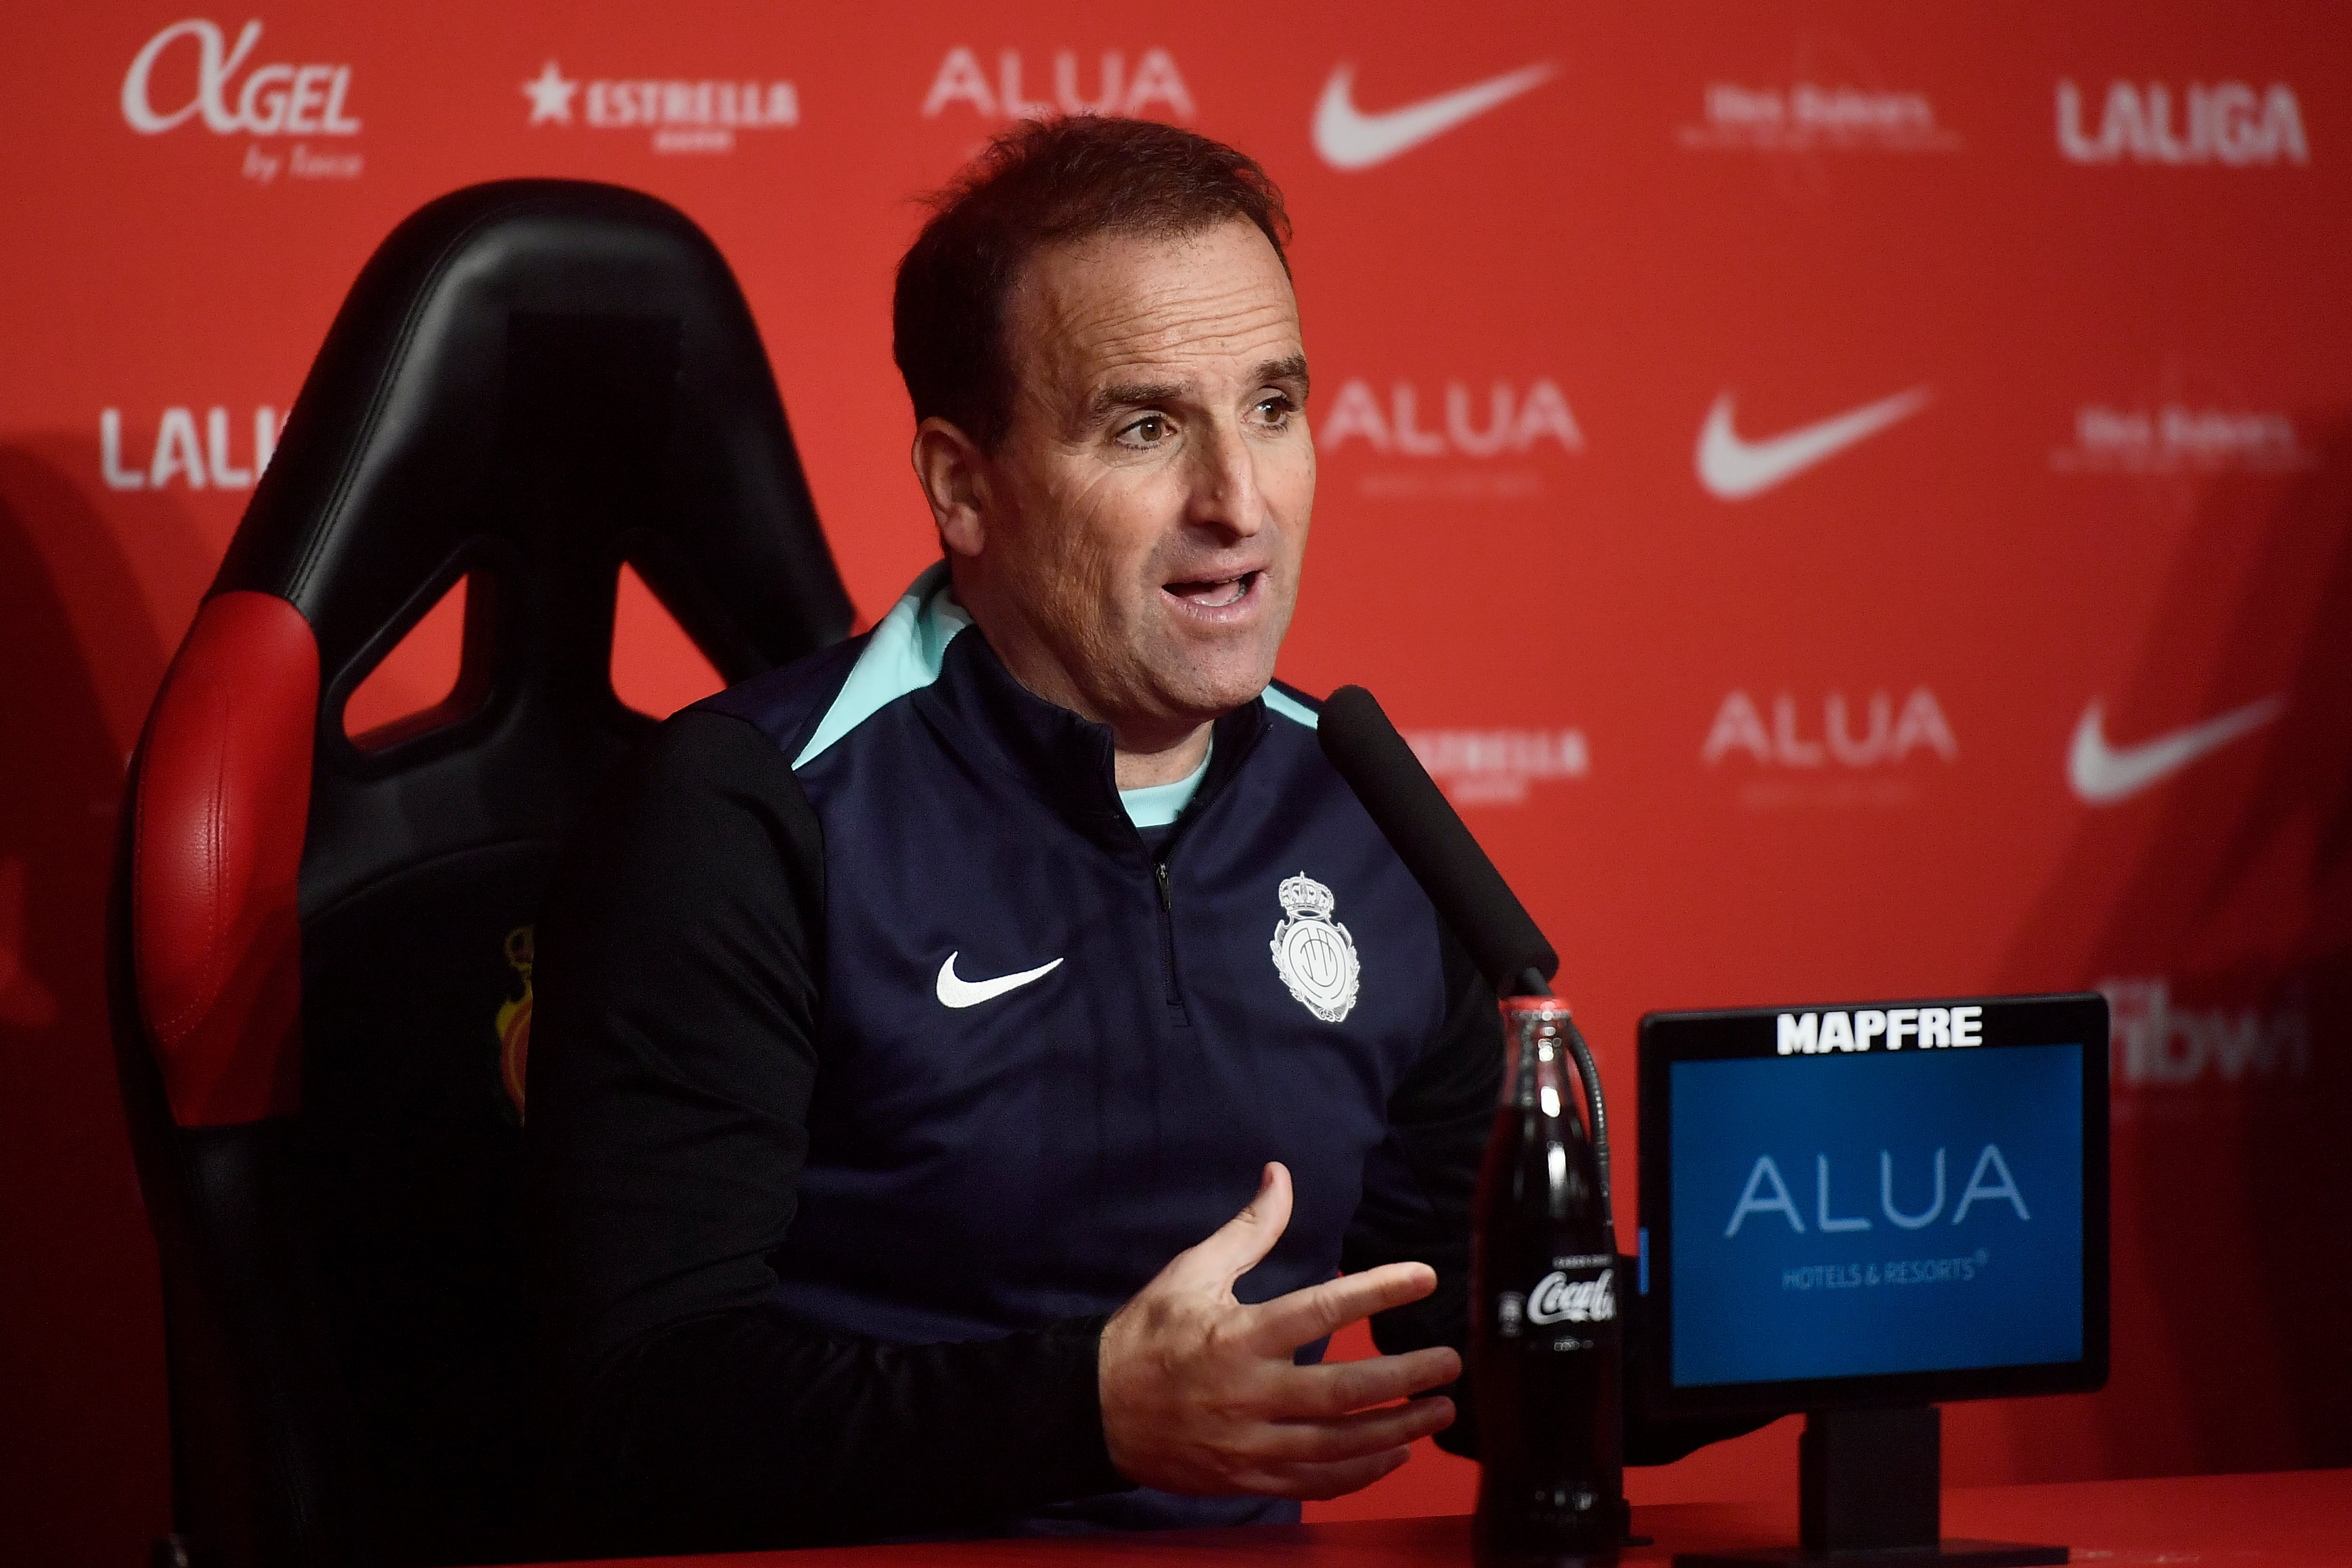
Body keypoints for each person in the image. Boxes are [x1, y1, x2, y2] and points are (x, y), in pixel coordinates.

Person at [524, 114, 1502, 1555]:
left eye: (1275, 407)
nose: (1239, 502)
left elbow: (1485, 1336)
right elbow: (644, 1409)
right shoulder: (748, 816)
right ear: (963, 486)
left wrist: (1806, 1301)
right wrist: (1091, 1409)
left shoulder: (1366, 808)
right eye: (1147, 427)